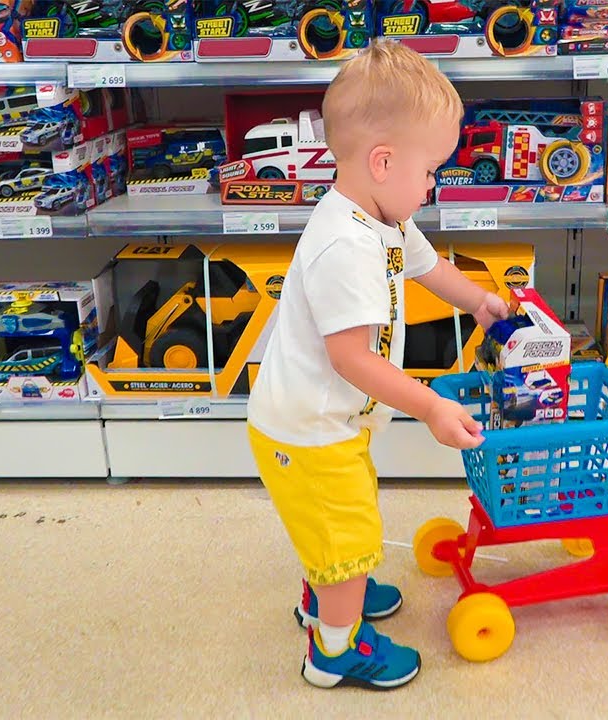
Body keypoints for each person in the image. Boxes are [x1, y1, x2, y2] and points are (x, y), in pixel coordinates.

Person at [246, 40, 508, 691]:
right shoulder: (346, 247)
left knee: (340, 520)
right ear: (383, 162)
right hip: (308, 431)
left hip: (331, 422)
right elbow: (351, 358)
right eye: (430, 172)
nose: (432, 185)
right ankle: (333, 650)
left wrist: (478, 300)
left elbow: (430, 268)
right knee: (347, 527)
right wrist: (430, 405)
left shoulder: (382, 217)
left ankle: (326, 594)